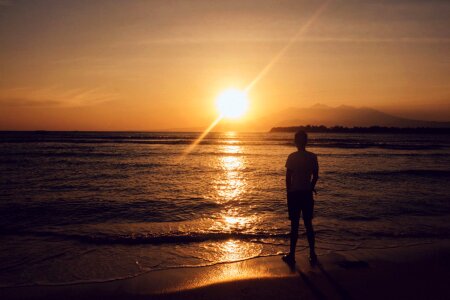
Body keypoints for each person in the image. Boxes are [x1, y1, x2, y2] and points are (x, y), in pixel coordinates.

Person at [282, 130, 319, 265]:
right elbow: (315, 176)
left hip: (295, 194)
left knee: (295, 226)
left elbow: (288, 178)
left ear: (296, 141)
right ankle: (312, 254)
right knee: (309, 224)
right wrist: (310, 186)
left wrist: (288, 192)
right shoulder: (312, 157)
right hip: (307, 194)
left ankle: (292, 255)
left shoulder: (292, 157)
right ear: (306, 141)